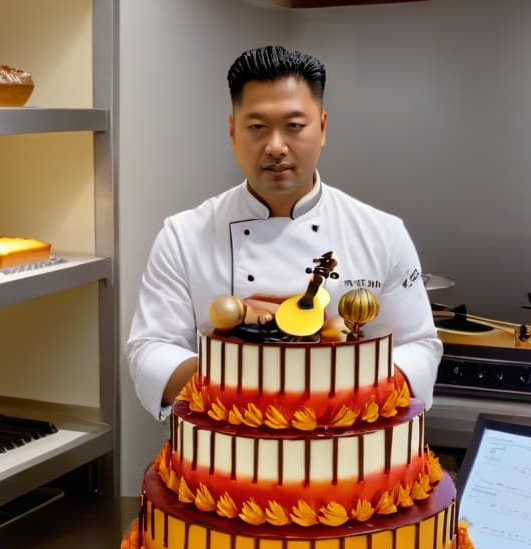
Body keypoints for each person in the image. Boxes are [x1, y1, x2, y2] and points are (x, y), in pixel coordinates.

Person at [127, 44, 442, 420]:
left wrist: (330, 389)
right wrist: (248, 379)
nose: (276, 147)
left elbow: (419, 348)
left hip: (345, 456)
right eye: (257, 127)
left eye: (294, 126)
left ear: (322, 128)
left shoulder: (383, 233)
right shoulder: (183, 235)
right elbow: (150, 351)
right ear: (232, 132)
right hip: (225, 461)